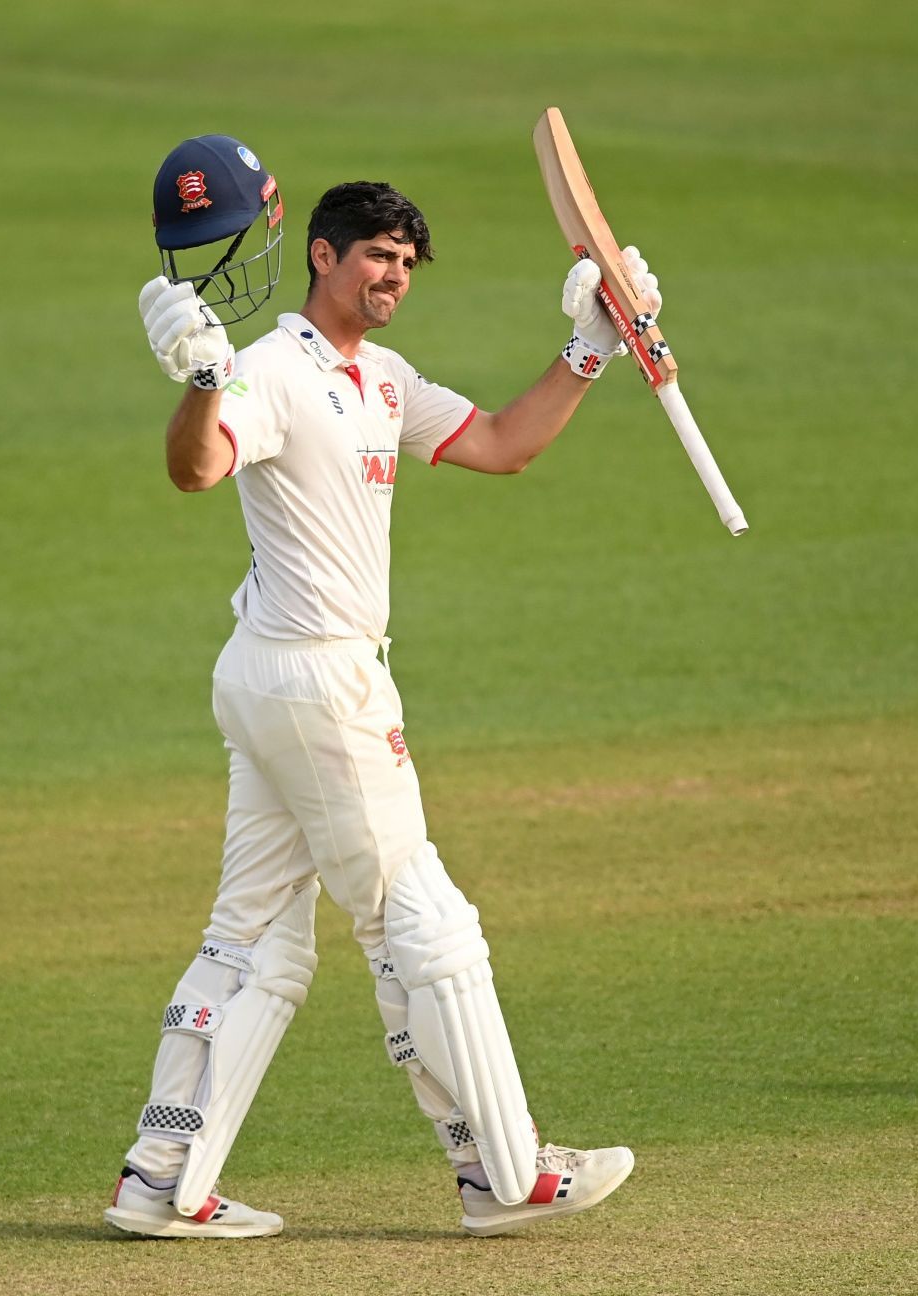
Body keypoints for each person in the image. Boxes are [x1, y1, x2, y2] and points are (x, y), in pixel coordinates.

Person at [107, 136, 661, 1240]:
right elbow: (198, 467)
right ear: (321, 255)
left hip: (276, 680)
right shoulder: (273, 368)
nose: (394, 276)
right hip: (318, 685)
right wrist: (207, 383)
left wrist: (592, 344)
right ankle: (505, 1177)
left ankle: (160, 1178)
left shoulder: (384, 380)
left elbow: (505, 443)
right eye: (375, 255)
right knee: (426, 925)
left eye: (408, 260)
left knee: (257, 941)